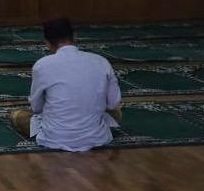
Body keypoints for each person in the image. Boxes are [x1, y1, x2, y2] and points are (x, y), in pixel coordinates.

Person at [9, 18, 123, 151]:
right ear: (75, 36)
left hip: (54, 138)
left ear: (47, 42)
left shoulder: (43, 65)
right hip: (96, 137)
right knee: (116, 113)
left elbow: (36, 107)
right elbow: (113, 103)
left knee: (17, 115)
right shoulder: (101, 61)